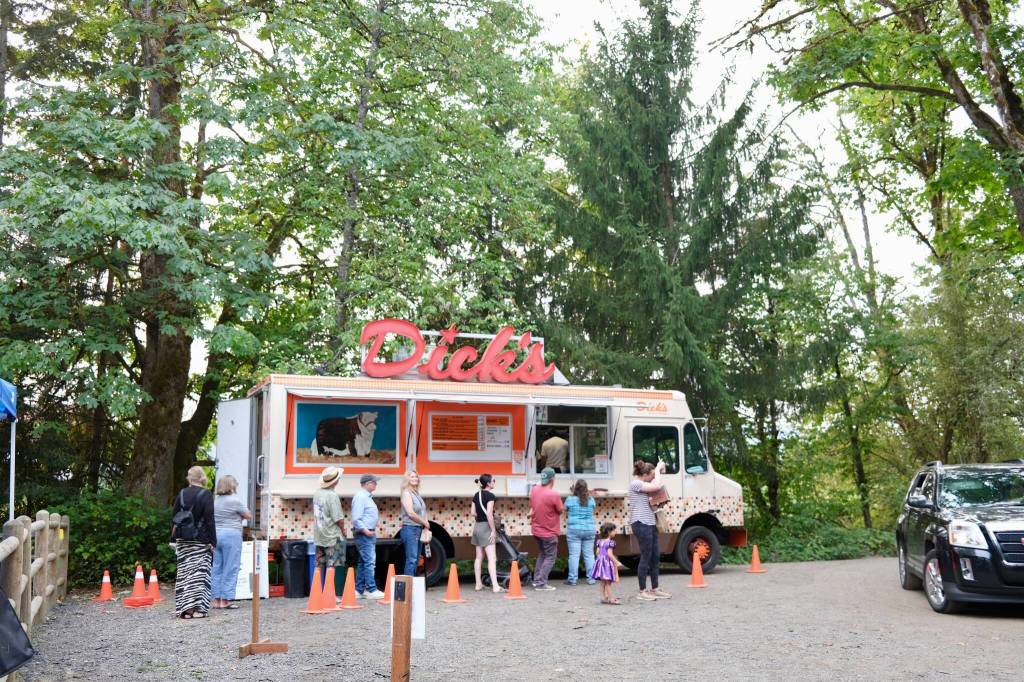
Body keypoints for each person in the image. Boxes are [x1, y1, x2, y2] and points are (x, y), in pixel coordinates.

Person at [171, 466, 217, 619]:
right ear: (202, 477)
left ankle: (185, 610)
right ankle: (198, 609)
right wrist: (213, 541)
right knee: (199, 574)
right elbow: (210, 520)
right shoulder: (206, 494)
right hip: (200, 540)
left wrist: (173, 538)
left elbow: (174, 517)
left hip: (183, 539)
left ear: (189, 478)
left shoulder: (182, 493)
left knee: (184, 573)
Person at [629, 460, 671, 601]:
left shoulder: (646, 485)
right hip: (640, 523)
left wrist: (659, 470)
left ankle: (655, 588)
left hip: (650, 522)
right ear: (645, 474)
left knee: (655, 556)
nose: (653, 478)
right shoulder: (635, 484)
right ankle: (642, 591)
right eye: (651, 475)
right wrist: (658, 470)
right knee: (646, 556)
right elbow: (656, 485)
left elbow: (656, 486)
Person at [211, 475, 252, 609]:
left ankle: (216, 600)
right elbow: (248, 515)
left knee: (217, 567)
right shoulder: (235, 501)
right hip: (232, 535)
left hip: (216, 535)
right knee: (231, 566)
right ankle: (226, 599)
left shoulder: (215, 501)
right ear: (231, 486)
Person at [313, 466, 346, 597]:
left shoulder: (317, 493)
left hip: (319, 534)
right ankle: (329, 595)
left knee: (318, 564)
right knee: (332, 564)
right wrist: (343, 530)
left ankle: (315, 593)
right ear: (336, 481)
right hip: (332, 535)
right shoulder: (333, 496)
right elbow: (338, 517)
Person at [528, 466, 563, 591]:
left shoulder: (534, 490)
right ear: (553, 479)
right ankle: (541, 583)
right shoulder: (554, 494)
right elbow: (560, 510)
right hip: (549, 532)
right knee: (550, 557)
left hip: (536, 530)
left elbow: (532, 505)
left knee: (543, 554)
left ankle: (537, 580)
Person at [351, 473, 385, 599]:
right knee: (370, 562)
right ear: (367, 483)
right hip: (365, 534)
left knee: (363, 562)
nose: (376, 484)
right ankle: (371, 589)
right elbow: (356, 518)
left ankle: (359, 590)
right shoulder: (361, 497)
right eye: (374, 482)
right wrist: (366, 531)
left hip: (366, 533)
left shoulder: (366, 497)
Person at [470, 474, 504, 593]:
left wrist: (480, 515)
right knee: (492, 558)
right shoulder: (490, 496)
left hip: (477, 527)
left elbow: (473, 513)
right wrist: (493, 530)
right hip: (486, 527)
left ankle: (478, 584)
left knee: (479, 557)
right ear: (488, 483)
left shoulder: (476, 495)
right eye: (493, 480)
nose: (494, 482)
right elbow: (489, 514)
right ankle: (495, 586)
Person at [564, 478, 596, 586]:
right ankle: (591, 578)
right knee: (589, 555)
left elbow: (565, 509)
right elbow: (592, 508)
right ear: (586, 489)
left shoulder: (570, 499)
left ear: (575, 489)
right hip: (589, 530)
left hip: (574, 530)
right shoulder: (591, 499)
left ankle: (572, 579)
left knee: (574, 555)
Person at [399, 471, 429, 576]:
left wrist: (425, 526)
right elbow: (411, 513)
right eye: (412, 476)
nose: (415, 478)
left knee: (416, 559)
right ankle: (408, 587)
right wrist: (424, 522)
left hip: (418, 529)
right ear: (407, 479)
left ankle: (413, 587)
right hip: (410, 529)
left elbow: (423, 511)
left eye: (416, 476)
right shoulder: (406, 493)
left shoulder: (416, 493)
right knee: (411, 559)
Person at [591, 522, 625, 605]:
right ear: (609, 532)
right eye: (614, 530)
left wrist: (601, 560)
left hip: (600, 563)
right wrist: (616, 562)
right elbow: (609, 554)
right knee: (608, 582)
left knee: (603, 582)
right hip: (607, 564)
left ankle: (603, 598)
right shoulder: (610, 542)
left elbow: (597, 552)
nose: (615, 532)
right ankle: (611, 599)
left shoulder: (599, 541)